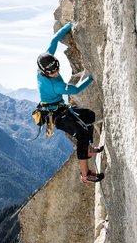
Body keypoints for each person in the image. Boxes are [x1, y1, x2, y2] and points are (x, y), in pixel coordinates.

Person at [35, 22, 104, 183]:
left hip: (59, 108)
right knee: (80, 133)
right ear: (45, 72)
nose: (56, 72)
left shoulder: (45, 61)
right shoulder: (55, 84)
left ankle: (87, 147)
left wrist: (70, 25)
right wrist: (93, 76)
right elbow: (75, 90)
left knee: (88, 115)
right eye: (52, 72)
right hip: (56, 116)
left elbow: (54, 40)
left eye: (56, 69)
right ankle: (86, 175)